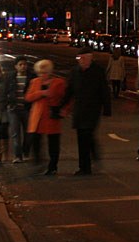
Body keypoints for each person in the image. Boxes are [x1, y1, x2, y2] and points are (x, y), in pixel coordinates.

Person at [63, 46, 112, 175]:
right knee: (82, 137)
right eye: (79, 58)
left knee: (88, 134)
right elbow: (69, 90)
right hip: (79, 109)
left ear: (90, 58)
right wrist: (62, 106)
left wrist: (107, 108)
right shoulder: (74, 72)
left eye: (84, 58)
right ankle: (84, 166)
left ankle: (89, 162)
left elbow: (104, 90)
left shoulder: (98, 71)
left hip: (93, 108)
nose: (81, 60)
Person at [25, 59, 67, 175]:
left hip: (51, 116)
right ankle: (38, 162)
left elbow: (65, 98)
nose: (42, 76)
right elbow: (28, 97)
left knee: (53, 142)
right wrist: (41, 93)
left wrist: (64, 110)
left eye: (45, 73)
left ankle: (52, 166)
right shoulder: (35, 82)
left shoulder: (59, 82)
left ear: (50, 72)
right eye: (40, 73)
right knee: (36, 141)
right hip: (37, 117)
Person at [5, 56, 35, 163]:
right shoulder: (10, 77)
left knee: (29, 133)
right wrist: (8, 103)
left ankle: (25, 151)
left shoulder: (31, 77)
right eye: (20, 65)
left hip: (27, 109)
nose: (23, 67)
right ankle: (18, 156)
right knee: (15, 133)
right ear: (16, 66)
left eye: (25, 64)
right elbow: (6, 91)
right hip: (14, 109)